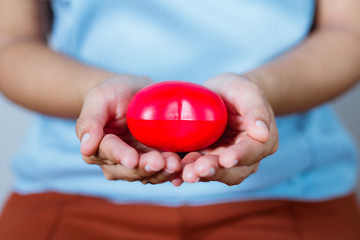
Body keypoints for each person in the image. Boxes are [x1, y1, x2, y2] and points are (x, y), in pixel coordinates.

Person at [0, 0, 359, 239]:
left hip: (290, 189)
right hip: (68, 189)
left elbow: (349, 31)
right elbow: (11, 42)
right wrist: (97, 93)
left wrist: (259, 91)